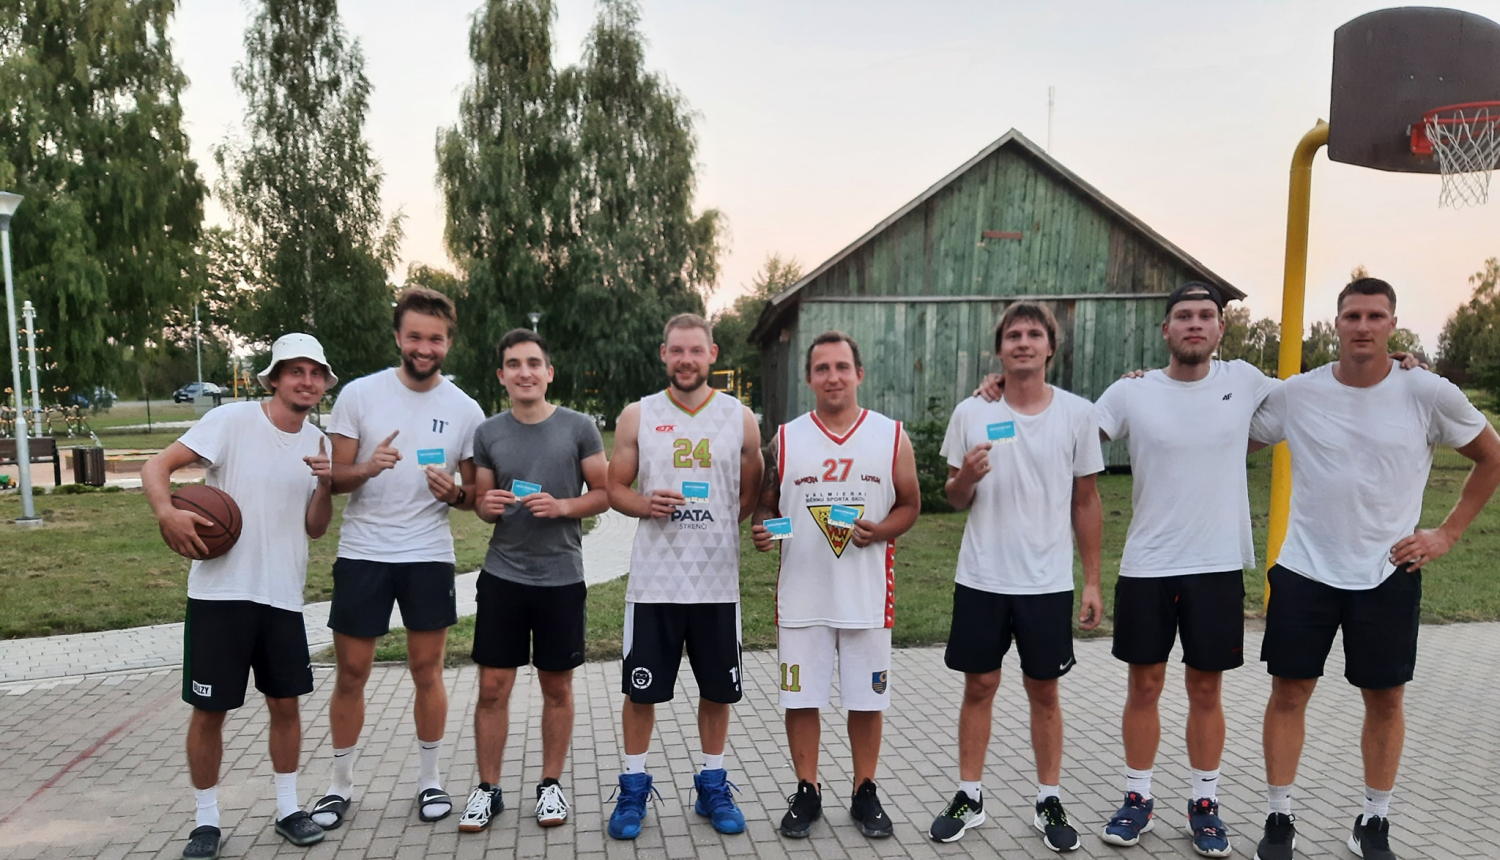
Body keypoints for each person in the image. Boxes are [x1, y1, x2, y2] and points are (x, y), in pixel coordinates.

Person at [1248, 278, 1500, 860]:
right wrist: (1161, 386)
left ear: (1393, 324)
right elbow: (1226, 430)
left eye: (1375, 316)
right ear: (1335, 324)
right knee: (1289, 694)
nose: (1363, 326)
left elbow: (1491, 456)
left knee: (1385, 701)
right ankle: (1280, 817)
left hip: (1387, 573)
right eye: (1352, 315)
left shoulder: (1426, 392)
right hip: (1305, 569)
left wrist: (1447, 533)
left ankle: (1375, 821)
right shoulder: (1300, 393)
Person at [1083, 282, 1272, 857]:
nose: (1195, 324)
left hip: (1215, 566)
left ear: (1220, 329)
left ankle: (1205, 803)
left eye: (1206, 316)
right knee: (1144, 685)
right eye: (1183, 316)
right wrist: (1000, 395)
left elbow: (1328, 390)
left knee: (1206, 689)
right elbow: (1070, 436)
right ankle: (1137, 796)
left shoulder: (1246, 382)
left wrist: (1397, 362)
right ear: (1166, 330)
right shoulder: (1130, 391)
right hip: (1147, 565)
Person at [142, 333, 338, 859]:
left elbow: (316, 529)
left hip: (283, 598)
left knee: (286, 707)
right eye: (295, 371)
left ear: (324, 383)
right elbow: (155, 467)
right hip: (220, 595)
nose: (307, 381)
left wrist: (325, 486)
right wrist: (167, 512)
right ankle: (206, 821)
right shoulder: (231, 421)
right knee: (209, 713)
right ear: (274, 378)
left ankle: (288, 808)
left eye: (315, 373)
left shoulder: (319, 444)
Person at [923, 303, 1102, 851]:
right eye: (1013, 335)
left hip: (1047, 582)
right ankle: (969, 795)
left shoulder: (1077, 414)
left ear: (1051, 347)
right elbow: (953, 498)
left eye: (1034, 334)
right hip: (981, 577)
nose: (1023, 342)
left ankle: (1048, 800)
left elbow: (1087, 500)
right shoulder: (971, 413)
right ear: (999, 349)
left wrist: (1092, 580)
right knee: (979, 686)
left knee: (1043, 691)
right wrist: (967, 478)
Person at [311, 288, 485, 830]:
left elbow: (477, 499)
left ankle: (429, 782)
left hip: (428, 555)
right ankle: (340, 786)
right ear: (398, 337)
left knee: (427, 671)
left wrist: (453, 493)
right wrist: (366, 468)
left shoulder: (465, 409)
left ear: (448, 343)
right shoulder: (360, 396)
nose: (424, 347)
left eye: (435, 338)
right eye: (414, 336)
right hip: (364, 552)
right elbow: (332, 480)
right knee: (352, 673)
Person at [750, 330, 921, 840]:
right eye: (822, 368)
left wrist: (882, 531)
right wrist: (765, 529)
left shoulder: (891, 435)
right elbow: (769, 506)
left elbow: (910, 504)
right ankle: (807, 790)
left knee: (866, 701)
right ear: (808, 378)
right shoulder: (784, 438)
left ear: (859, 374)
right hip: (802, 596)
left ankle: (865, 790)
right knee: (801, 699)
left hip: (866, 596)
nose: (832, 377)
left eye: (842, 367)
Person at [603, 313, 763, 840]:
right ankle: (632, 786)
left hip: (717, 584)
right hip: (654, 584)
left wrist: (713, 526)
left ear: (713, 355)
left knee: (718, 691)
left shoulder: (740, 418)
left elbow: (747, 496)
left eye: (696, 351)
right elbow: (614, 489)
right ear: (664, 354)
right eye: (677, 351)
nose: (687, 360)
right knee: (641, 692)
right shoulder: (638, 415)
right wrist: (646, 503)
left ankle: (711, 782)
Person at [456, 328, 609, 832]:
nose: (525, 372)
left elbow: (606, 492)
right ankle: (488, 789)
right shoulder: (489, 432)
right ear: (502, 376)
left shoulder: (578, 426)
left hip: (561, 578)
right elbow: (481, 503)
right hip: (503, 576)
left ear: (549, 372)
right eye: (514, 364)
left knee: (557, 687)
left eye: (533, 363)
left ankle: (550, 786)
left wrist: (565, 505)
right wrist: (487, 504)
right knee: (493, 688)